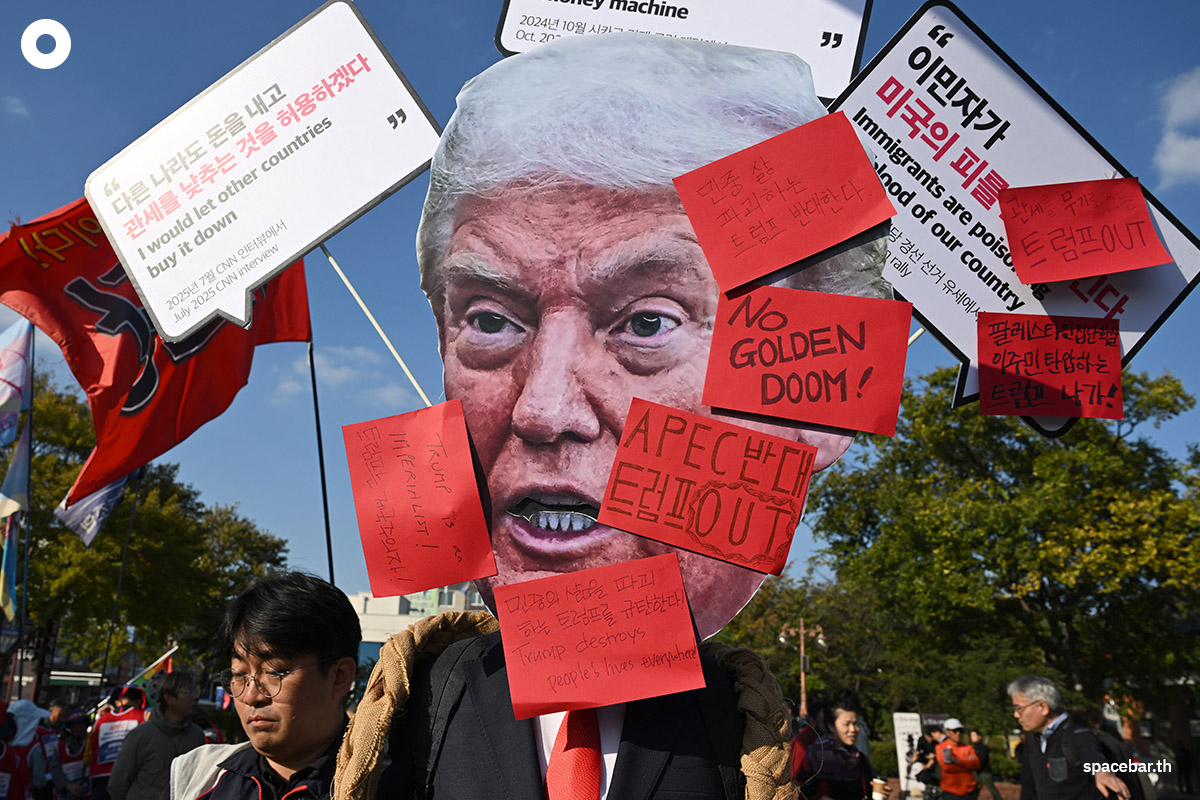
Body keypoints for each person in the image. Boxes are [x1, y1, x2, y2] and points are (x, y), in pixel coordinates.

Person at [339, 31, 892, 800]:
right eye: (493, 320)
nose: (544, 408)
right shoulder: (416, 706)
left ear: (814, 394)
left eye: (647, 322)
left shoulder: (762, 742)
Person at [169, 572, 360, 800]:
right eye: (239, 674)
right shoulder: (201, 777)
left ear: (339, 676)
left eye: (274, 672)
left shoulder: (389, 784)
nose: (251, 696)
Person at [1008, 675, 1130, 800]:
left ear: (1043, 707)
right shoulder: (1033, 740)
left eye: (1019, 709)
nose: (1016, 715)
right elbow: (1029, 790)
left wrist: (1103, 774)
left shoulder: (1077, 735)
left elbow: (1092, 756)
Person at [108, 672, 204, 800]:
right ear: (169, 698)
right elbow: (117, 785)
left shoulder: (197, 735)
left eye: (195, 690)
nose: (195, 696)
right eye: (188, 691)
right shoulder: (141, 735)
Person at [797, 696, 891, 800]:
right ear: (831, 726)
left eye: (856, 724)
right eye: (847, 724)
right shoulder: (816, 756)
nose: (853, 729)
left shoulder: (861, 760)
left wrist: (879, 791)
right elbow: (799, 791)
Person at [87, 687, 147, 800]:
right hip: (129, 778)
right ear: (139, 701)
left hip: (99, 778)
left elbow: (90, 749)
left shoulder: (101, 720)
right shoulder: (143, 717)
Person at [50, 708, 90, 800]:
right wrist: (68, 786)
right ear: (69, 726)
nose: (78, 728)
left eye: (81, 724)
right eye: (74, 725)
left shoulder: (91, 743)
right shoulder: (60, 747)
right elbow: (55, 770)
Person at [935, 719, 980, 800]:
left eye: (960, 730)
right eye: (955, 731)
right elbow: (948, 767)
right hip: (951, 792)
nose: (958, 733)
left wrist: (956, 761)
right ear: (947, 732)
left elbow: (976, 764)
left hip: (970, 791)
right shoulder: (942, 747)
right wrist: (967, 764)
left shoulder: (968, 747)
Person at [970, 730, 1000, 800]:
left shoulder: (983, 748)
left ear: (979, 737)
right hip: (976, 772)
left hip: (984, 773)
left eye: (974, 736)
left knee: (992, 790)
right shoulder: (973, 748)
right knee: (975, 790)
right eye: (971, 736)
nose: (972, 738)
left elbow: (981, 761)